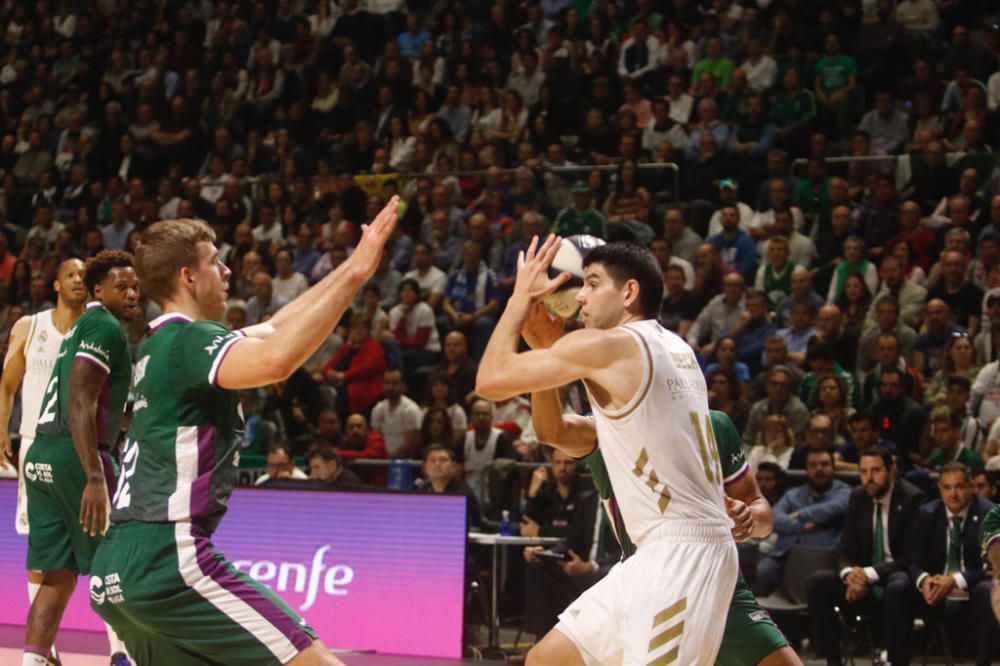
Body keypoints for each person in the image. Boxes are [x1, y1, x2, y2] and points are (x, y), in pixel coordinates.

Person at [90, 198, 398, 665]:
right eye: (216, 261)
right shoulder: (191, 339)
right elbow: (278, 361)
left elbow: (277, 329)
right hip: (169, 557)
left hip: (116, 564)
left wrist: (355, 264)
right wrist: (355, 275)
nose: (228, 271)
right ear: (188, 278)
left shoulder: (160, 344)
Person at [476, 237, 739, 665]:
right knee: (545, 660)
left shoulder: (613, 345)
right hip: (651, 554)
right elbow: (553, 430)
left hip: (683, 557)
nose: (578, 295)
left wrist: (518, 301)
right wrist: (545, 350)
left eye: (593, 283)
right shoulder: (671, 347)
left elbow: (489, 380)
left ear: (629, 293)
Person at [21, 251, 139, 666]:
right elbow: (81, 399)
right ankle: (124, 657)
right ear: (97, 290)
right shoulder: (104, 326)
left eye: (135, 287)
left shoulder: (78, 328)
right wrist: (93, 475)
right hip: (77, 457)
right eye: (121, 286)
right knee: (120, 563)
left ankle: (32, 661)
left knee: (55, 578)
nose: (131, 294)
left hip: (40, 456)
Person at [0, 259, 90, 664]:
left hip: (82, 450)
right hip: (37, 446)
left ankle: (120, 649)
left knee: (100, 545)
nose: (78, 280)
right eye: (70, 274)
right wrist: (2, 430)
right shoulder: (29, 326)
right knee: (42, 545)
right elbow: (7, 384)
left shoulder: (96, 327)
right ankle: (44, 647)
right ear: (55, 283)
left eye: (84, 276)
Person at [806, 446, 924, 666]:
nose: (869, 478)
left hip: (896, 580)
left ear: (892, 470)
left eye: (876, 470)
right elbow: (844, 549)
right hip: (862, 585)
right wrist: (850, 574)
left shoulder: (912, 498)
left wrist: (867, 574)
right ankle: (833, 661)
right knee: (818, 582)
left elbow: (911, 557)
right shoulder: (858, 497)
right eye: (864, 472)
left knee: (898, 585)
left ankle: (896, 660)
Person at [908, 462, 998, 666]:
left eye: (959, 487)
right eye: (947, 488)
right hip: (935, 590)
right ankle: (895, 658)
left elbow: (992, 566)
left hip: (973, 588)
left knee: (988, 591)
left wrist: (955, 580)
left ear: (970, 487)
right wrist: (925, 581)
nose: (953, 494)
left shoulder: (990, 514)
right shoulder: (927, 514)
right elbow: (913, 561)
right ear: (940, 489)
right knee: (899, 587)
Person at [752, 448, 851, 597]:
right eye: (813, 465)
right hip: (784, 554)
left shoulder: (844, 491)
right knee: (759, 573)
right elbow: (775, 519)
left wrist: (800, 514)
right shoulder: (793, 494)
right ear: (807, 469)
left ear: (833, 467)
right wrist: (803, 526)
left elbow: (834, 508)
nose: (819, 469)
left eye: (824, 464)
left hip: (819, 556)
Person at [370, 369, 422, 458]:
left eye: (394, 383)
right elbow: (375, 439)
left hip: (404, 460)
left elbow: (409, 446)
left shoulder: (411, 409)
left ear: (403, 385)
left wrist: (390, 458)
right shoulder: (378, 409)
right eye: (386, 383)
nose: (390, 387)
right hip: (380, 459)